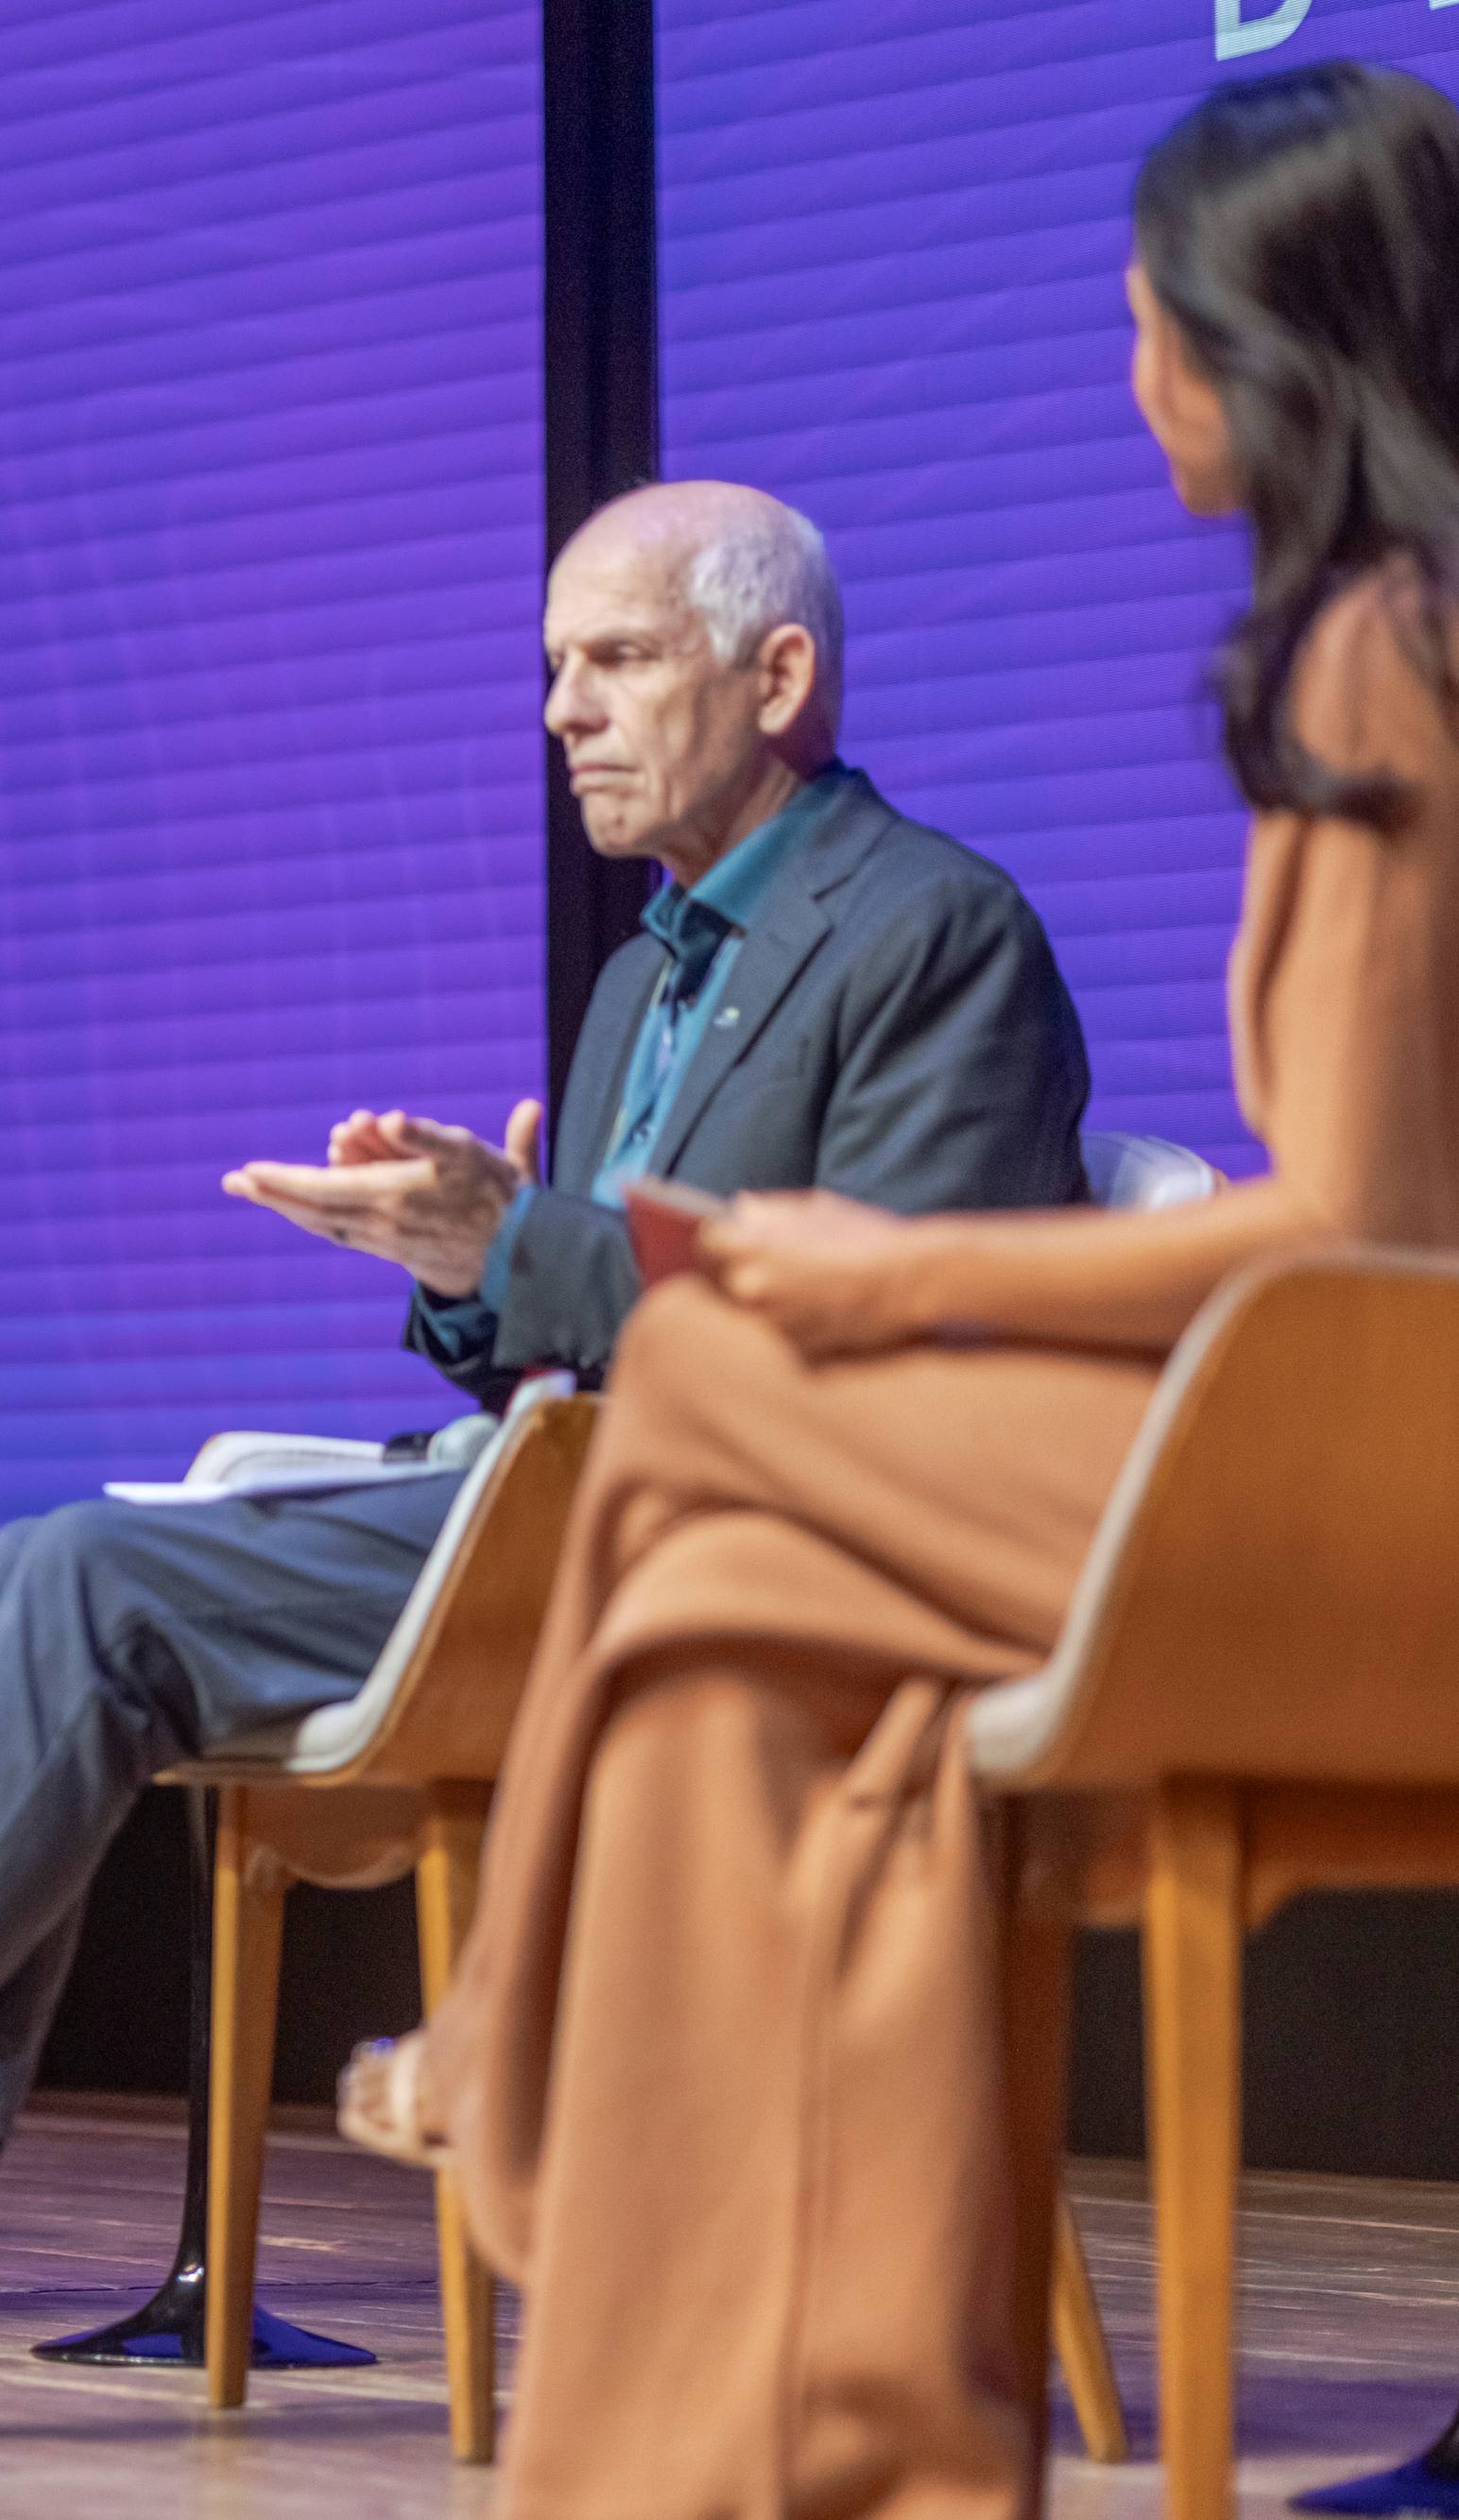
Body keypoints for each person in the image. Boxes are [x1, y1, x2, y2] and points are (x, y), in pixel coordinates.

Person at [0, 482, 1097, 2433]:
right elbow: (601, 1314)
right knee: (56, 1569)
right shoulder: (645, 975)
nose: (562, 710)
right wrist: (462, 1273)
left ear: (777, 677)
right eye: (553, 666)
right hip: (578, 1500)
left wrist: (524, 1249)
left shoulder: (935, 931)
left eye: (615, 660)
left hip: (762, 1545)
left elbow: (904, 1344)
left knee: (82, 1584)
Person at [320, 62, 1459, 2517]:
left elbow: (1366, 1228)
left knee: (713, 1387)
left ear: (1267, 338)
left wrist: (857, 1264)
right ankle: (827, 2448)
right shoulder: (1390, 638)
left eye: (1149, 318)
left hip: (1378, 1475)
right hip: (1346, 1420)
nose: (1129, 370)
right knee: (746, 1668)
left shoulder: (1384, 652)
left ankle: (515, 2042)